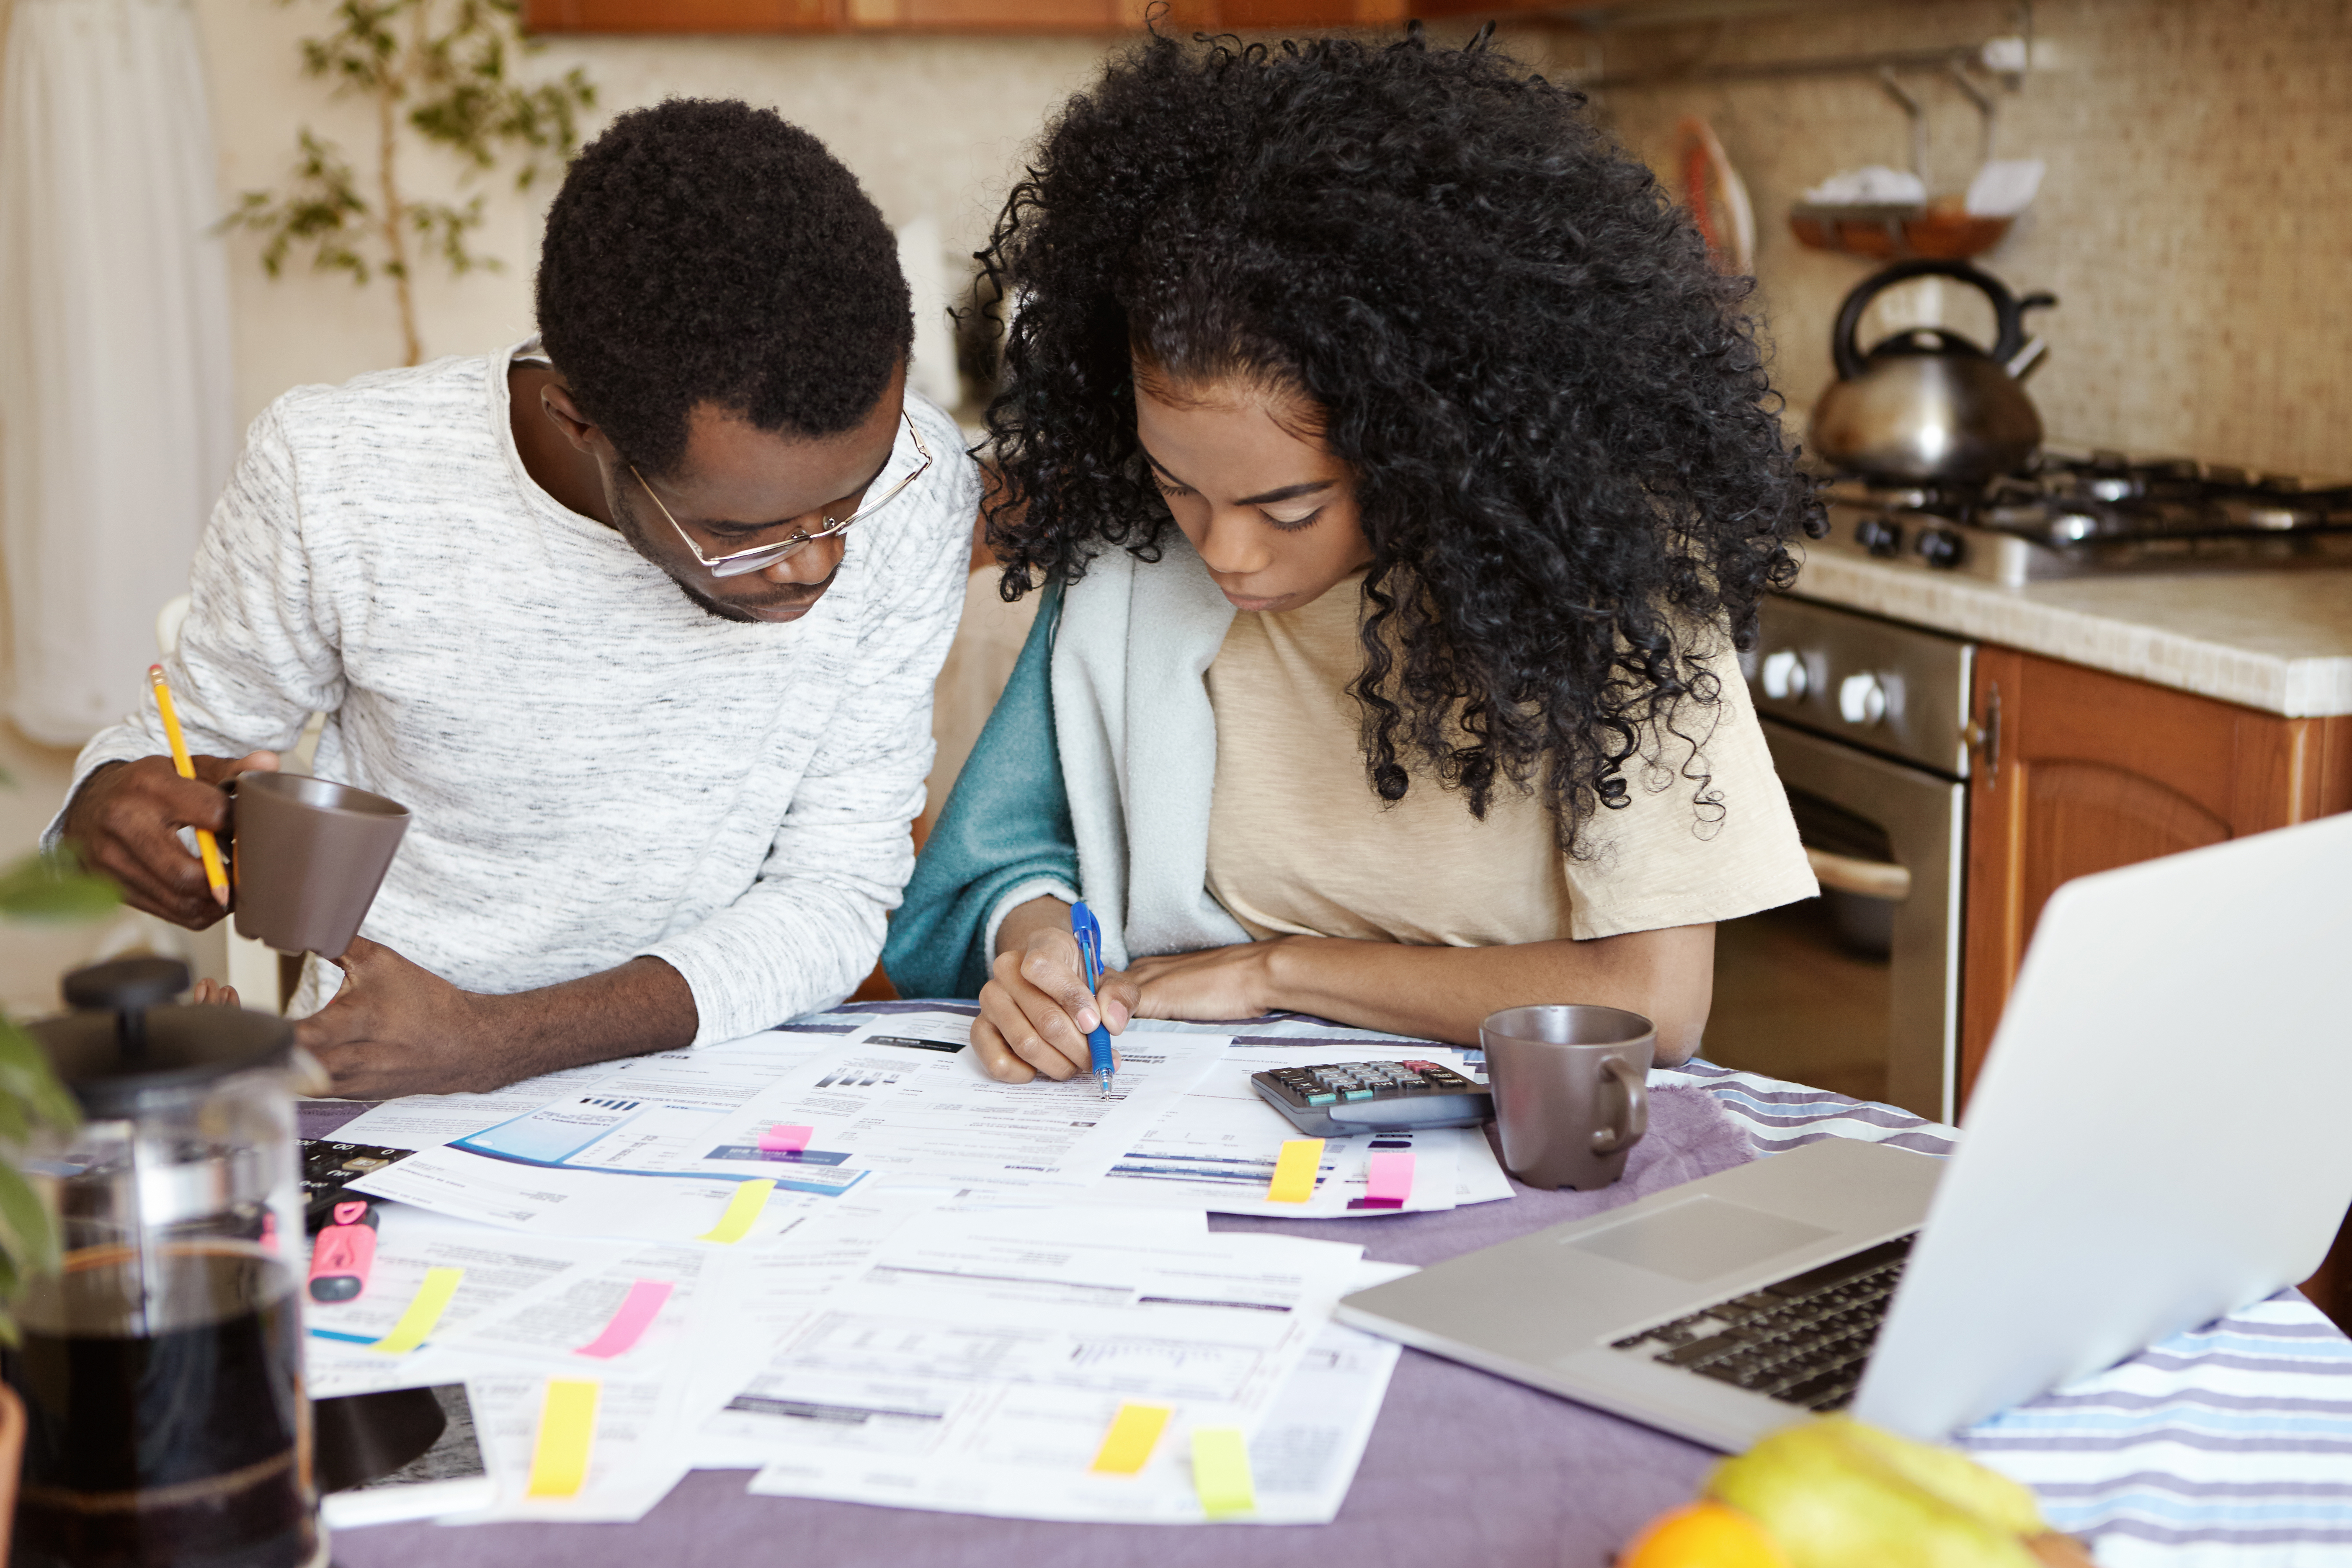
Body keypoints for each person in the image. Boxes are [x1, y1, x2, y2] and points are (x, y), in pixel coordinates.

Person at [884, 28, 1821, 1083]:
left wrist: (1278, 972)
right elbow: (1007, 863)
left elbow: (1653, 1001)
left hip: (1520, 1111)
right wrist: (1038, 952)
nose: (1226, 553)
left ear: (1422, 441)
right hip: (1185, 1111)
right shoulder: (1131, 555)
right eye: (1178, 483)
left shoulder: (1601, 578)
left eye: (1289, 506)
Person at [55, 100, 978, 1098]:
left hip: (727, 1088)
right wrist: (104, 807)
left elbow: (836, 897)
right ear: (578, 421)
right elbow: (176, 749)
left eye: (850, 503)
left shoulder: (922, 487)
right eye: (738, 534)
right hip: (388, 1093)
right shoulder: (339, 473)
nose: (814, 564)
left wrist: (506, 1038)